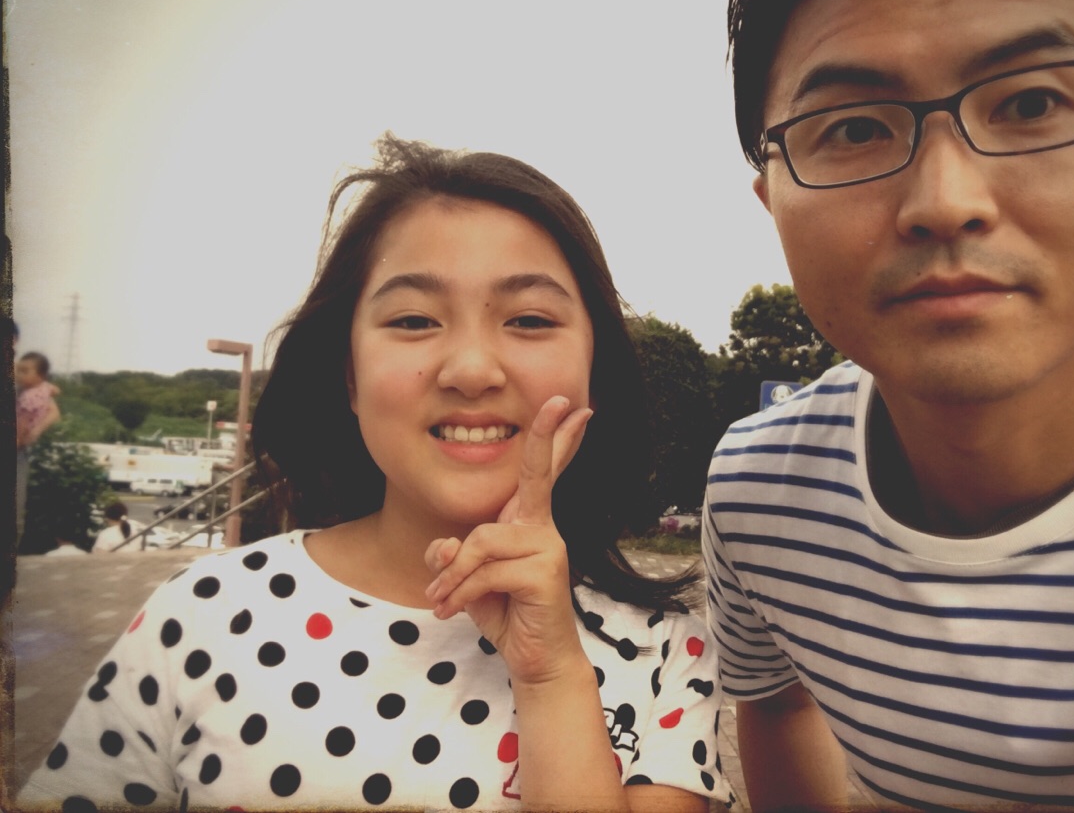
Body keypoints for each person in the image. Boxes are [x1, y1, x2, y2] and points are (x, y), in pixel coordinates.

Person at [20, 136, 732, 812]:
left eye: (529, 320)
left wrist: (550, 678)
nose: (472, 370)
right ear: (349, 376)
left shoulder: (670, 654)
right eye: (415, 320)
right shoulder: (198, 616)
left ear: (595, 373)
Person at [702, 0, 1074, 810]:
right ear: (770, 198)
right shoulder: (757, 491)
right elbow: (772, 702)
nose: (946, 201)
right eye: (855, 126)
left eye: (1031, 103)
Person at [15, 350, 61, 549]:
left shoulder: (28, 394)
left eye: (25, 371)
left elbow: (52, 413)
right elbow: (54, 390)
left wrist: (33, 432)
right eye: (19, 370)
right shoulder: (37, 388)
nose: (20, 374)